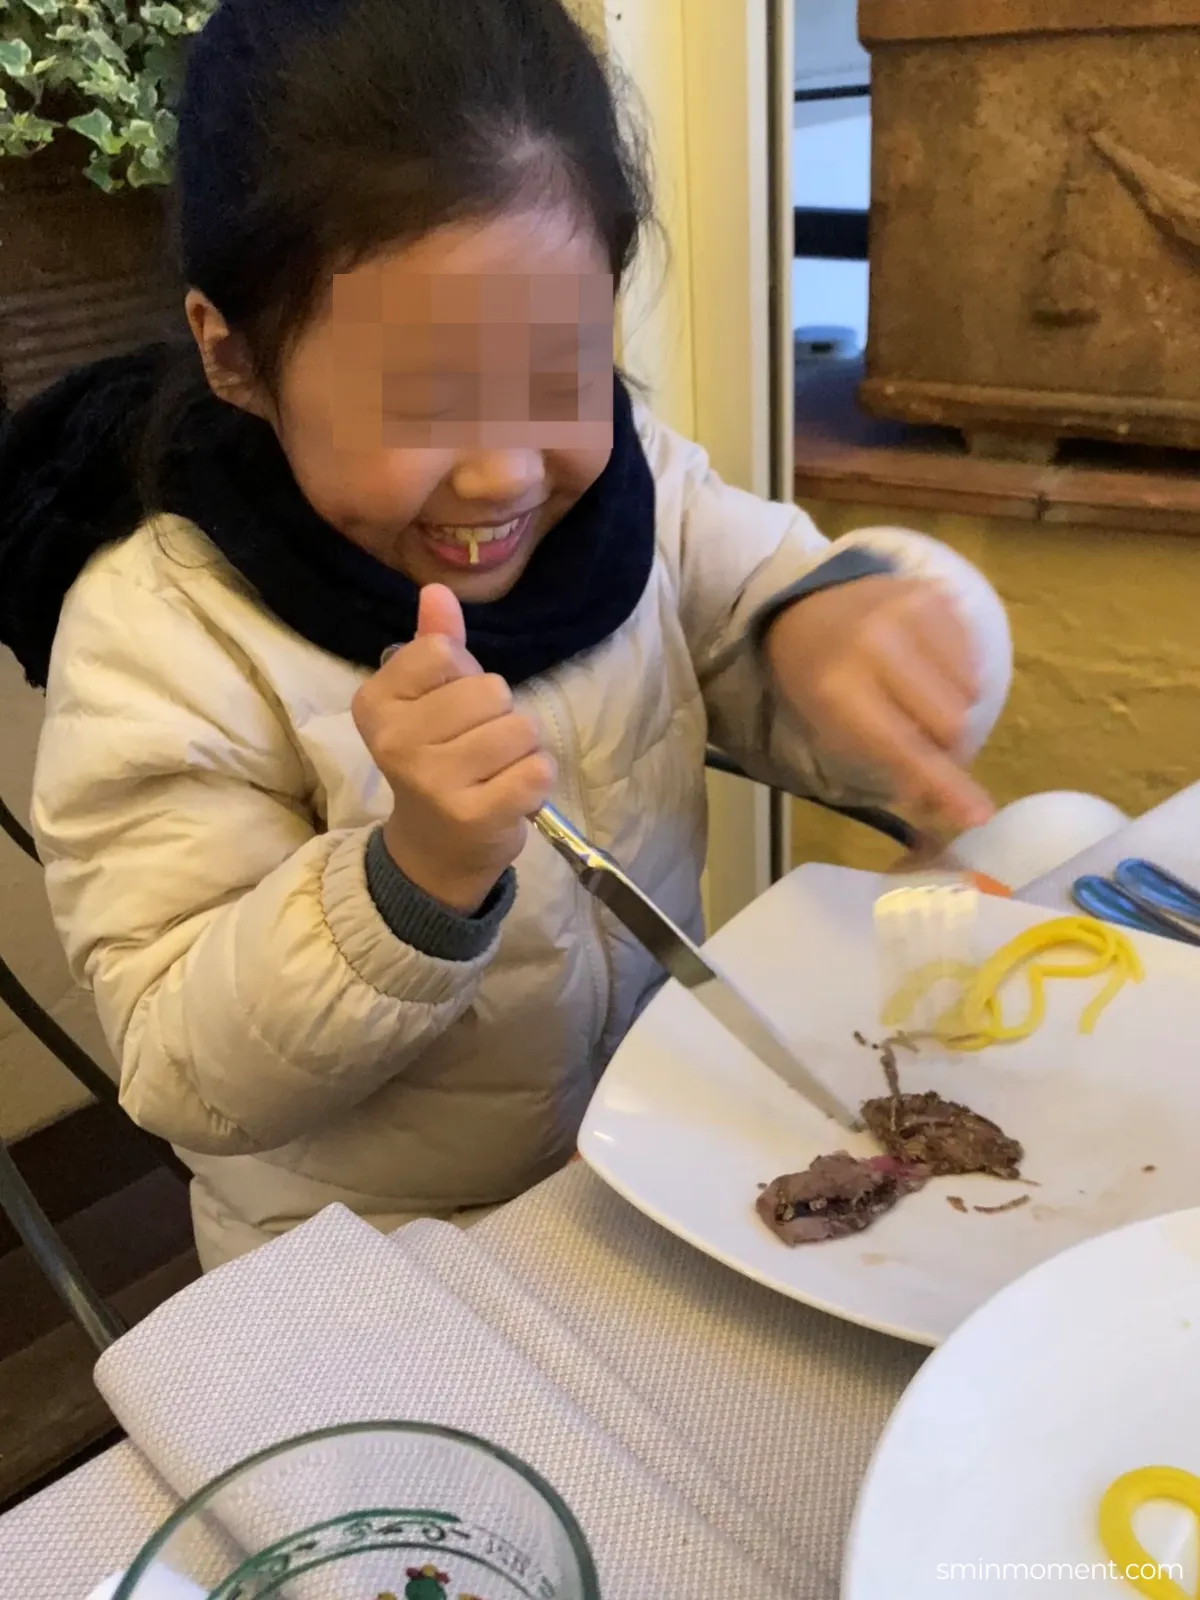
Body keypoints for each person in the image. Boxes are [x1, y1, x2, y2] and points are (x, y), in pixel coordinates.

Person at [0, 0, 1013, 1270]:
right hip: (375, 1268)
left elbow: (790, 606)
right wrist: (411, 881)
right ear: (235, 355)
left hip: (659, 1179)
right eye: (422, 399)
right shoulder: (167, 631)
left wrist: (849, 626)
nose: (503, 475)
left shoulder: (642, 493)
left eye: (559, 375)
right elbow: (179, 1067)